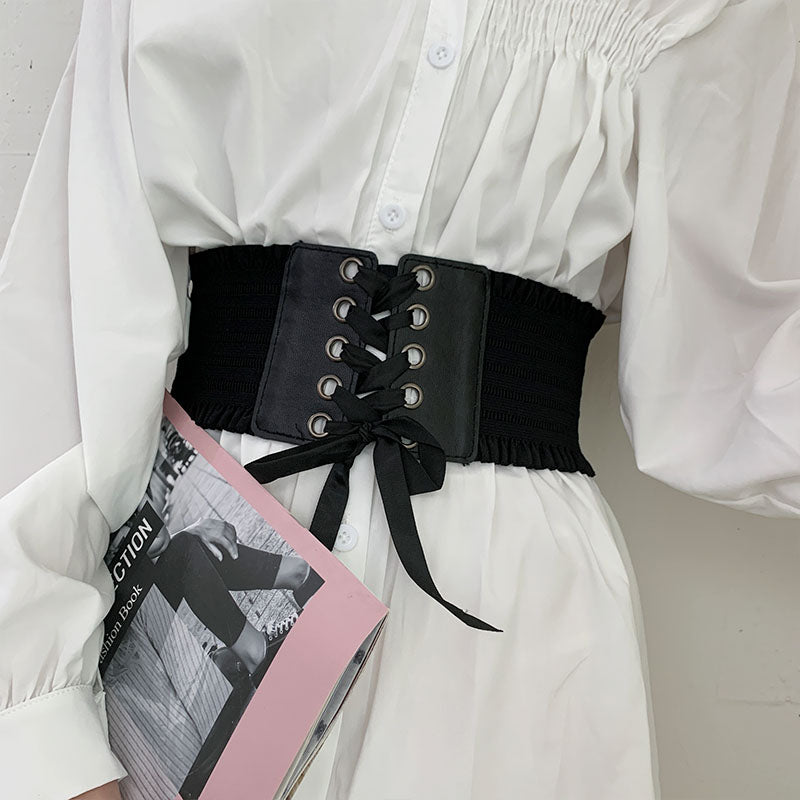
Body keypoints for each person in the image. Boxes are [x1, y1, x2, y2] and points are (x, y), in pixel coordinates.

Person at [0, 2, 798, 800]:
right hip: (190, 552)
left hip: (505, 631)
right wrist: (41, 716)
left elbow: (729, 371)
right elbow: (71, 301)